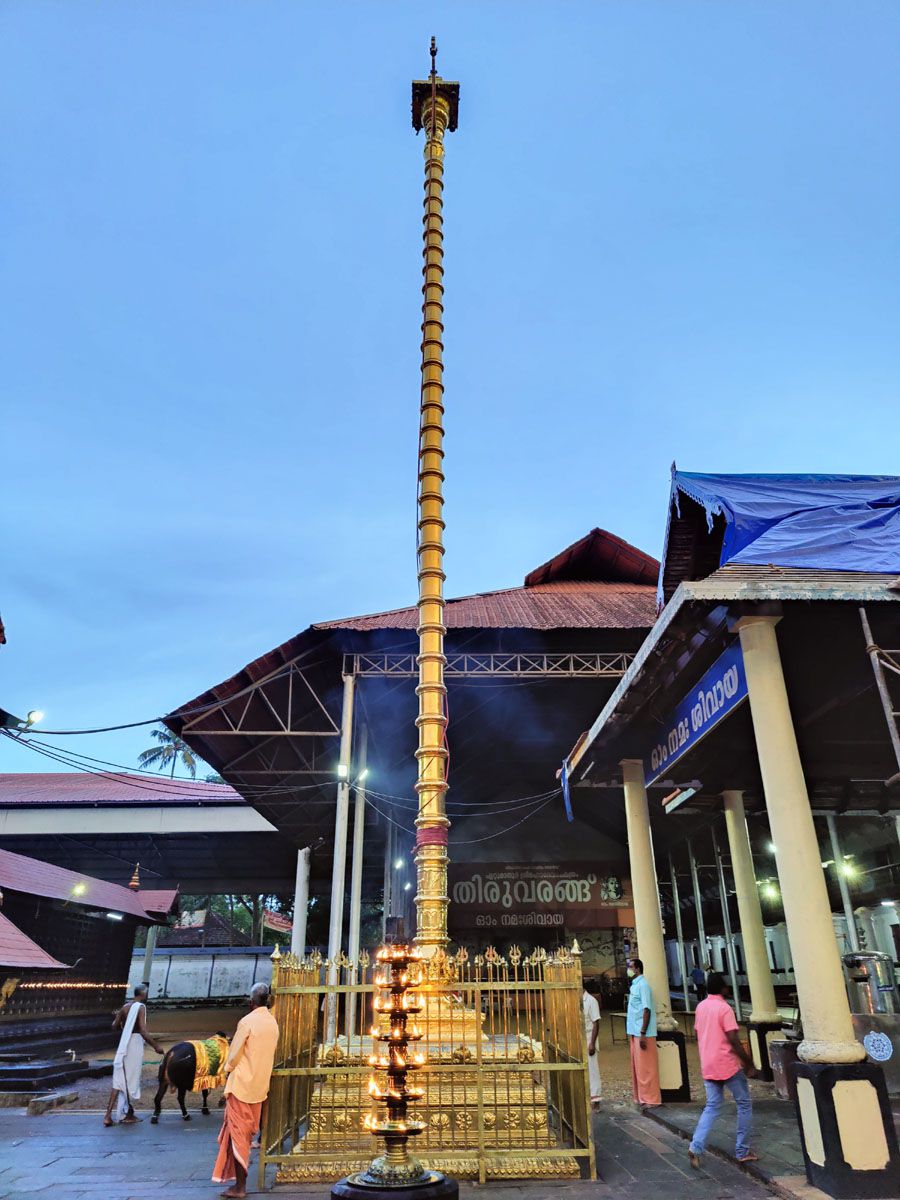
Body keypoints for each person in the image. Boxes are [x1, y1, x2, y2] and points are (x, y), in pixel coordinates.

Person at [212, 981, 279, 1199]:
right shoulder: (272, 1022)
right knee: (245, 1135)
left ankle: (240, 1187)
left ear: (251, 1002)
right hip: (260, 1086)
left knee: (239, 1137)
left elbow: (233, 1054)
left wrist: (226, 1070)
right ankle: (235, 1181)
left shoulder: (247, 1022)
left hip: (242, 1085)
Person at [688, 971, 757, 1169]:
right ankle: (742, 1150)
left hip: (708, 1063)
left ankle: (696, 1146)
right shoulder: (724, 1008)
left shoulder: (701, 1007)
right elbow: (733, 1040)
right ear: (722, 988)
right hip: (727, 1064)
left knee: (712, 1105)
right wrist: (748, 1063)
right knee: (744, 1104)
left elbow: (698, 1032)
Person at [104, 984, 165, 1126]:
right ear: (143, 994)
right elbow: (143, 1031)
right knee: (130, 1079)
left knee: (120, 1079)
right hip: (134, 1044)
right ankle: (126, 1113)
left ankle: (110, 1115)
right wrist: (156, 1046)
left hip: (124, 1043)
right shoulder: (141, 1007)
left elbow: (114, 1026)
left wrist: (120, 1020)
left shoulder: (124, 1007)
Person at [626, 958, 661, 1107]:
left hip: (643, 1032)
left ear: (638, 969)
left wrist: (642, 1032)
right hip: (635, 1031)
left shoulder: (643, 986)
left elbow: (647, 1009)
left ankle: (651, 1099)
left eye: (631, 967)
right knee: (639, 1068)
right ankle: (641, 1096)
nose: (629, 970)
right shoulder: (635, 986)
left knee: (647, 1068)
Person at [582, 984, 602, 1110]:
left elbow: (596, 1023)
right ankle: (587, 1095)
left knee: (592, 1069)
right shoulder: (578, 1000)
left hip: (589, 1038)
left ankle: (596, 1098)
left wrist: (592, 1043)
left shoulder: (591, 1001)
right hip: (580, 1037)